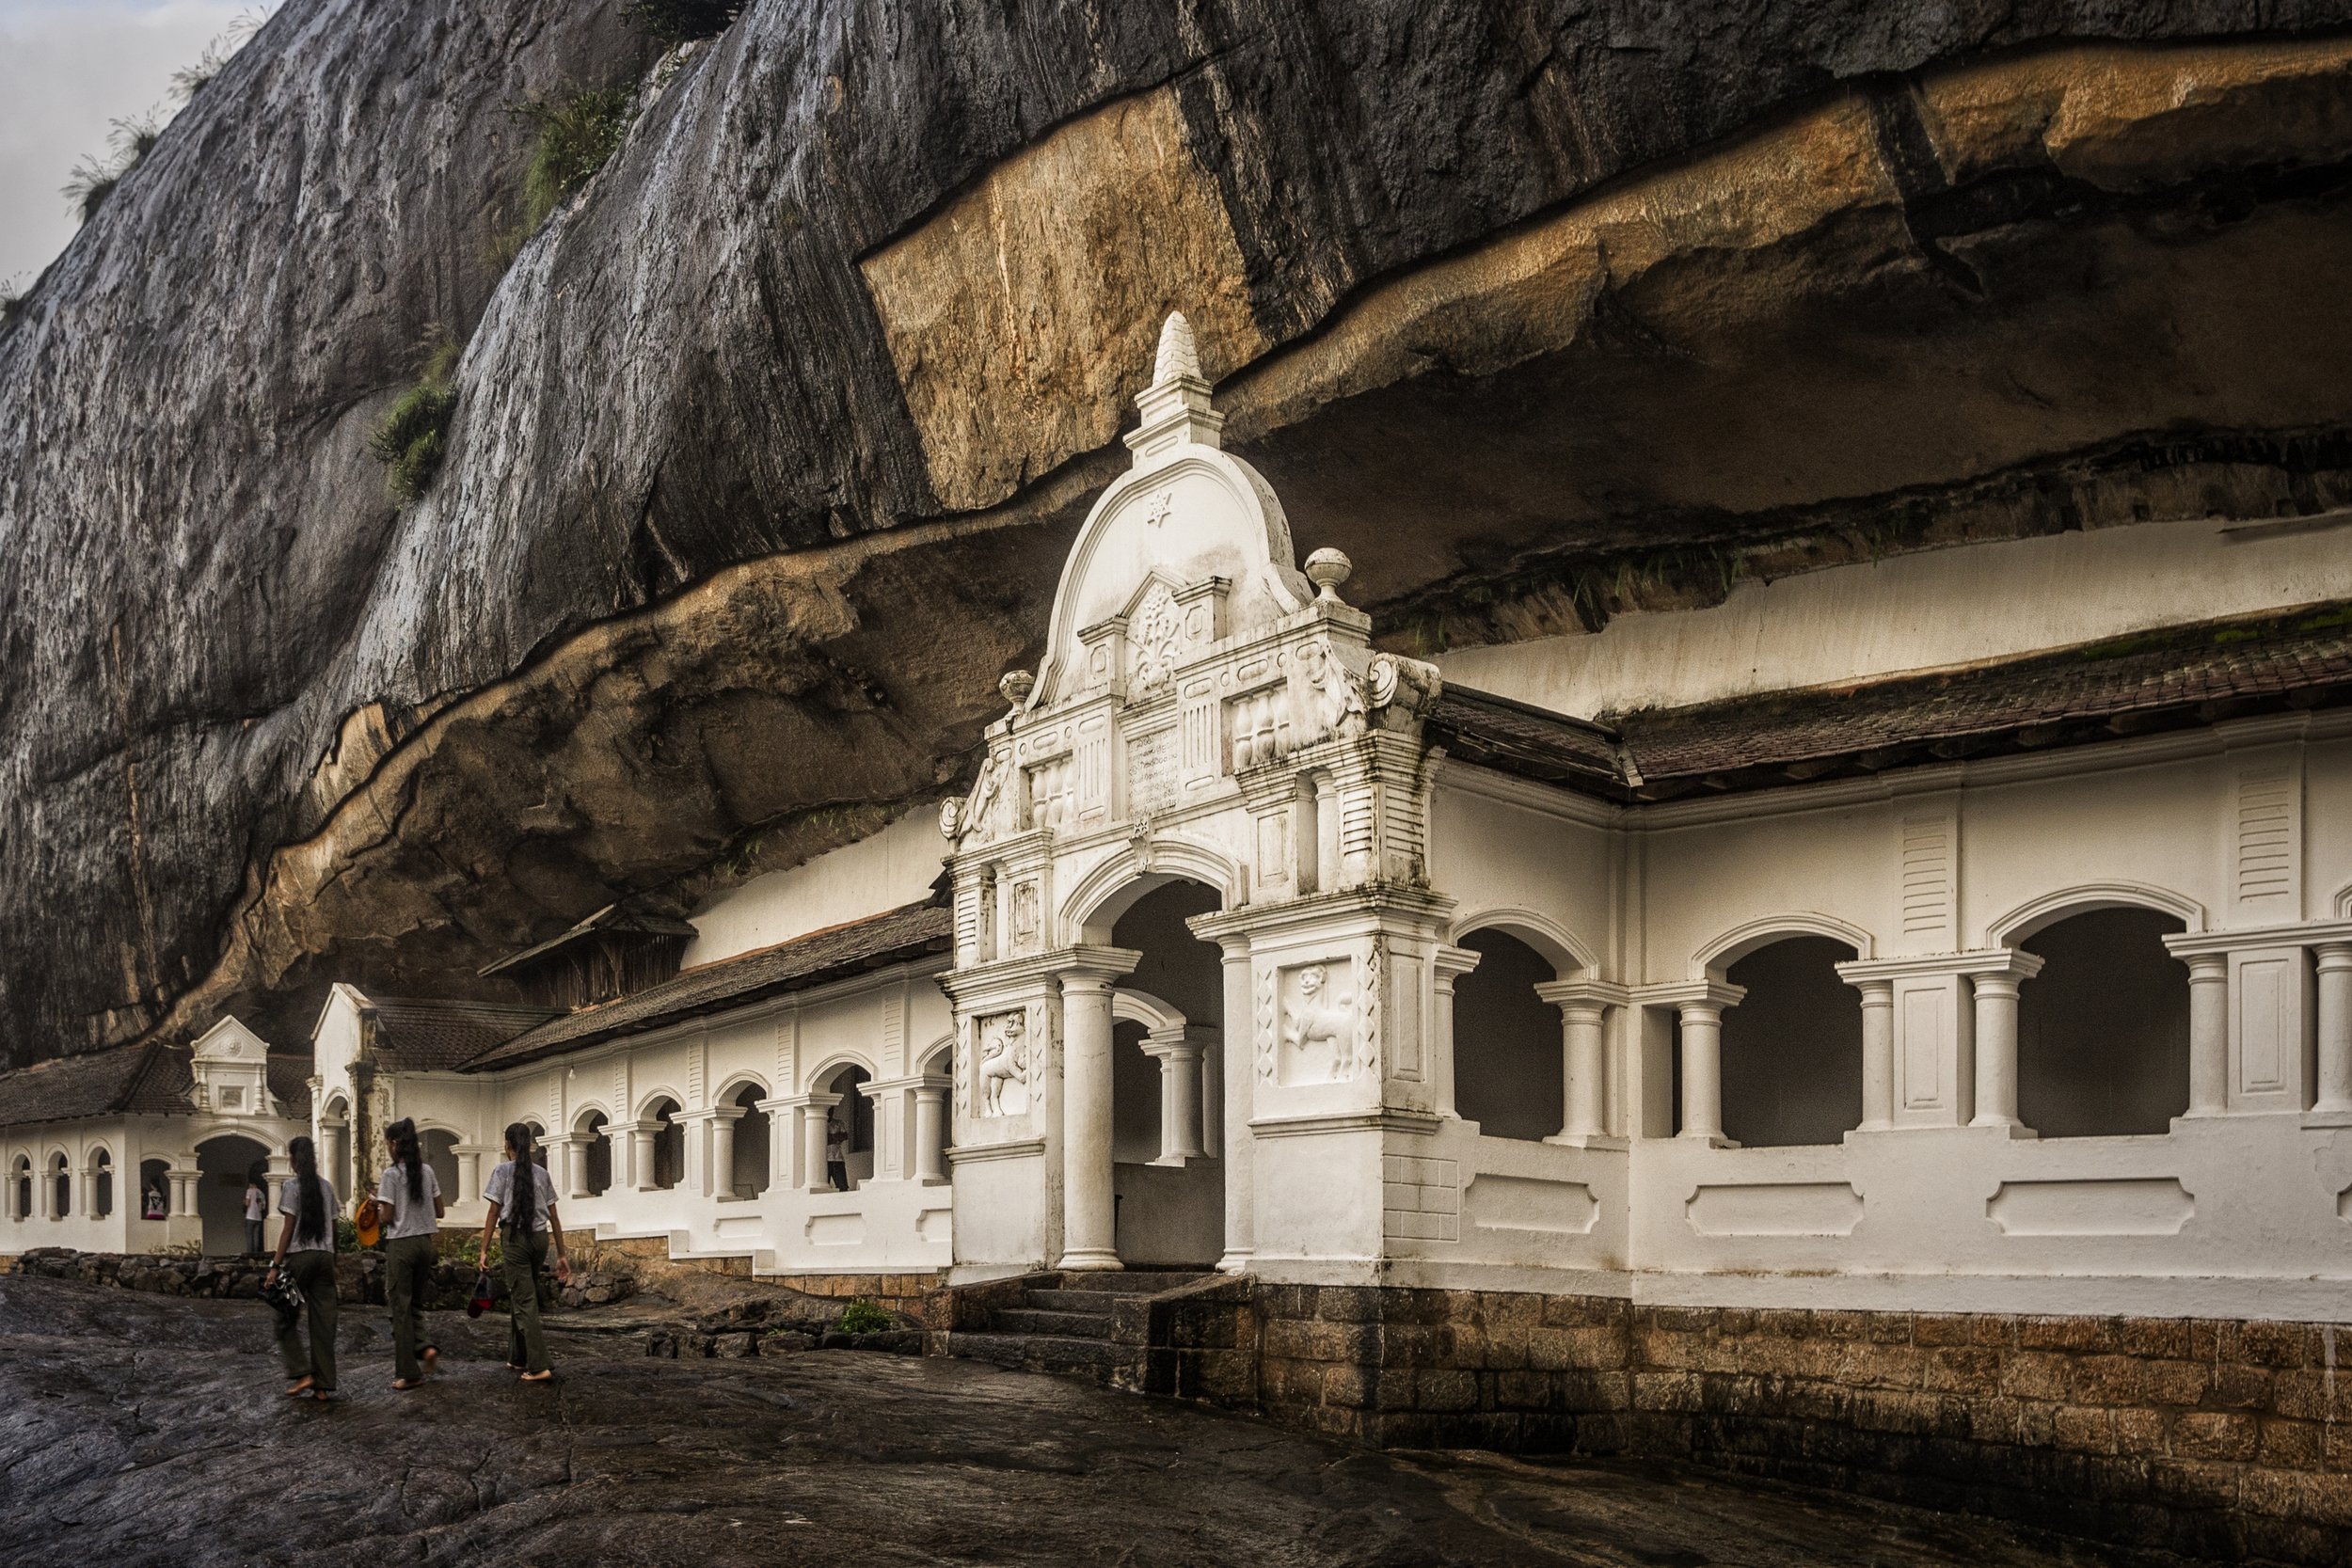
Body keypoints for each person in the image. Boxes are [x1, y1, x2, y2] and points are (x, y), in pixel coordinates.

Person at [478, 1122, 570, 1383]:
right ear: (529, 1145)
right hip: (539, 1239)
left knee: (524, 1299)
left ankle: (539, 1365)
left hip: (515, 1239)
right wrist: (561, 1254)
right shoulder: (541, 1173)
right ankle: (518, 1356)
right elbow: (554, 1217)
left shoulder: (501, 1171)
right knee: (522, 1294)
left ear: (507, 1145)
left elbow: (493, 1213)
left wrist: (483, 1249)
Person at [262, 1135, 338, 1402]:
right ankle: (322, 1385)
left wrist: (275, 1265)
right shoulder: (326, 1188)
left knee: (284, 1317)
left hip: (300, 1260)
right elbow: (335, 1227)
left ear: (294, 1159)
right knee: (323, 1323)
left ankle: (302, 1371)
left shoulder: (292, 1187)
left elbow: (288, 1229)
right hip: (325, 1259)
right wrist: (333, 1259)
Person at [373, 1118, 445, 1391]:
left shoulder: (391, 1175)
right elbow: (440, 1211)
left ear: (393, 1144)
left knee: (399, 1309)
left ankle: (408, 1372)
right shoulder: (427, 1171)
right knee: (413, 1303)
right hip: (425, 1244)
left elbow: (387, 1217)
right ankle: (425, 1349)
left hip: (401, 1245)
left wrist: (377, 1207)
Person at [242, 1169, 268, 1257]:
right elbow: (263, 1207)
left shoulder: (250, 1191)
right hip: (258, 1217)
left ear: (251, 1184)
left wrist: (244, 1202)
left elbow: (247, 1203)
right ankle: (256, 1254)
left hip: (250, 1216)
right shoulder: (261, 1193)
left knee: (249, 1237)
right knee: (256, 1236)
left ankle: (250, 1255)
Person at [825, 1111, 849, 1192]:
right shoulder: (820, 1123)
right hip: (824, 1160)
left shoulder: (838, 1123)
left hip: (838, 1159)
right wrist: (835, 1137)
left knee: (843, 1186)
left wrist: (829, 1137)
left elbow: (844, 1136)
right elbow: (822, 1139)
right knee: (821, 1187)